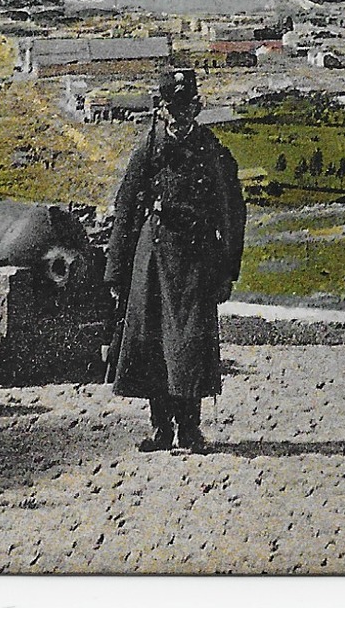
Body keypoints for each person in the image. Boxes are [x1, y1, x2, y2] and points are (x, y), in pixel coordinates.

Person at [106, 69, 245, 454]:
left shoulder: (212, 151)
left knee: (189, 345)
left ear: (197, 108)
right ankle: (160, 430)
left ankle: (191, 429)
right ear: (162, 109)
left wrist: (227, 269)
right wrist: (118, 268)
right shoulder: (149, 149)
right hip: (153, 256)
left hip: (196, 259)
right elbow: (127, 205)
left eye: (187, 107)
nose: (180, 115)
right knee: (152, 344)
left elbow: (232, 211)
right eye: (173, 107)